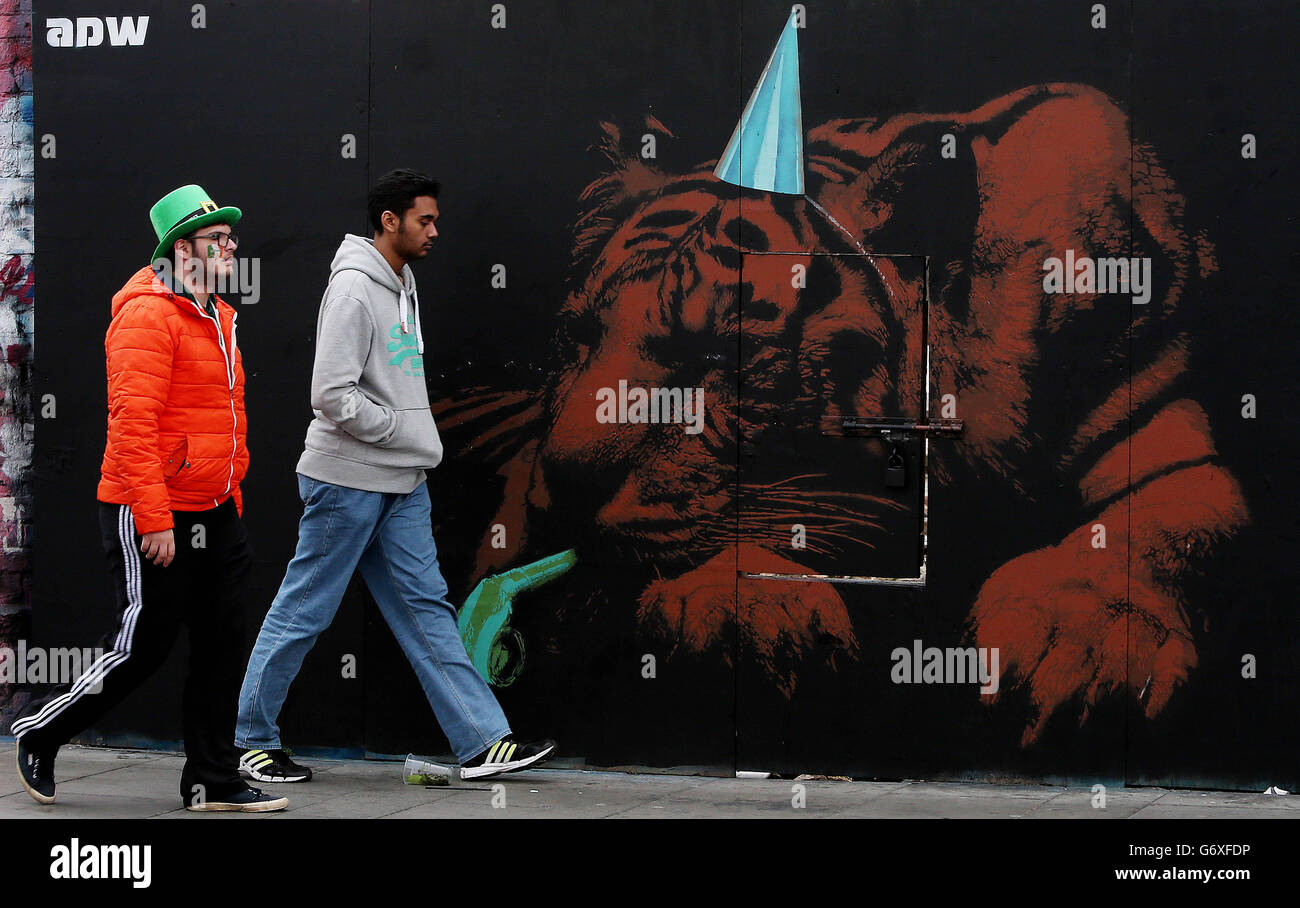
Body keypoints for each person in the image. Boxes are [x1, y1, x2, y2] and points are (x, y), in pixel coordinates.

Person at [234, 169, 555, 783]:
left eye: (435, 220)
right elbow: (330, 393)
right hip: (348, 479)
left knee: (425, 608)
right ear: (390, 221)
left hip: (402, 481)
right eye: (424, 220)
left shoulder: (402, 284)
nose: (436, 230)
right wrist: (396, 432)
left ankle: (483, 741)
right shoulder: (354, 290)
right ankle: (250, 740)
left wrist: (405, 445)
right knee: (305, 610)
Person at [10, 184, 287, 812]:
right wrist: (155, 519)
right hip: (150, 509)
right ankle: (41, 732)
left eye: (229, 237)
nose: (231, 246)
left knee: (222, 642)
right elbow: (132, 425)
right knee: (143, 647)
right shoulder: (147, 314)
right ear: (181, 248)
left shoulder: (217, 312)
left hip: (214, 509)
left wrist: (231, 488)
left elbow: (230, 411)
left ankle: (213, 779)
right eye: (218, 238)